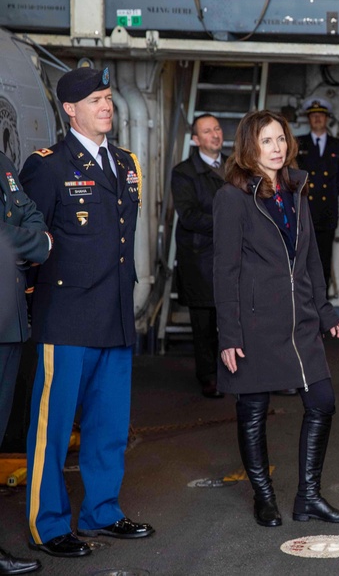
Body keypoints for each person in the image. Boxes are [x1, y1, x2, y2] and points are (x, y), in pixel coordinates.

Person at [19, 67, 154, 559]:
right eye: (96, 100)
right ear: (70, 110)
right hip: (68, 317)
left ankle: (101, 510)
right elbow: (27, 244)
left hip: (115, 315)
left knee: (108, 426)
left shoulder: (125, 162)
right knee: (52, 432)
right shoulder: (48, 166)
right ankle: (48, 523)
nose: (106, 107)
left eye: (109, 99)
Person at [213, 110, 339, 528]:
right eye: (267, 142)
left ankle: (309, 497)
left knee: (322, 402)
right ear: (249, 148)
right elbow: (225, 270)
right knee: (253, 408)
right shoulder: (233, 196)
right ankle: (264, 497)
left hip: (301, 321)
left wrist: (326, 311)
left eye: (280, 140)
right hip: (255, 322)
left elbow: (310, 257)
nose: (277, 149)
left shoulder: (295, 188)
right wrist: (229, 335)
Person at [0, 150, 49, 575]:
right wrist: (36, 242)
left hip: (10, 322)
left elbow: (30, 215)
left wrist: (33, 238)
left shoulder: (1, 160)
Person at [170, 114, 228, 399]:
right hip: (200, 258)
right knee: (204, 321)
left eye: (217, 129)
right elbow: (190, 216)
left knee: (231, 317)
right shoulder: (184, 173)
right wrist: (231, 221)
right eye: (207, 131)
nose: (215, 135)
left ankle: (234, 373)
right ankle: (209, 376)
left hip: (231, 255)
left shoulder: (235, 166)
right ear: (196, 140)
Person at [295, 99, 339, 295]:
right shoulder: (298, 143)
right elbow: (292, 174)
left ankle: (321, 301)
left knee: (324, 259)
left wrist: (329, 193)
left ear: (327, 118)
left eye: (320, 115)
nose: (317, 118)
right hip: (304, 210)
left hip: (327, 212)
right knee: (301, 259)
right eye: (313, 115)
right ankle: (302, 301)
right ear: (309, 119)